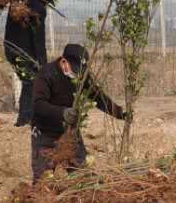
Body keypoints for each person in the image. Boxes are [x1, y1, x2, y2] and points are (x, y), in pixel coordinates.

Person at [30, 43, 124, 182]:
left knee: (81, 176)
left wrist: (119, 113)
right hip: (45, 133)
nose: (77, 74)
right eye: (75, 69)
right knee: (43, 180)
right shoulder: (46, 74)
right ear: (63, 61)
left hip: (69, 132)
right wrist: (63, 112)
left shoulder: (80, 76)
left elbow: (98, 96)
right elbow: (38, 105)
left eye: (80, 71)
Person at [4, 0, 57, 128]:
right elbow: (38, 38)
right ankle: (24, 119)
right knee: (30, 83)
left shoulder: (19, 3)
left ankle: (28, 117)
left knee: (29, 82)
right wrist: (43, 63)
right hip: (23, 52)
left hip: (10, 50)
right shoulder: (39, 9)